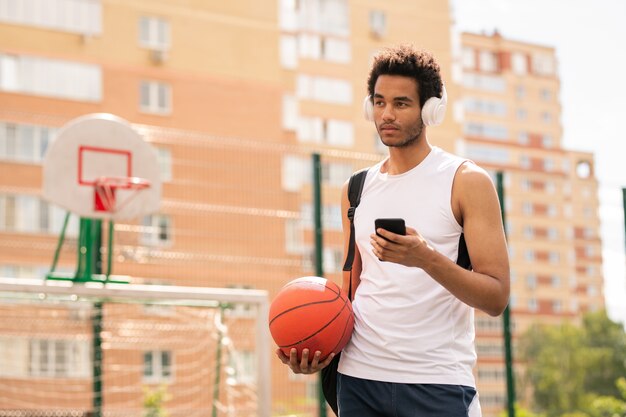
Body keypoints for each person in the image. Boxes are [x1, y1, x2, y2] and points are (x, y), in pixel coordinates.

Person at [277, 44, 510, 417]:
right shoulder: (356, 188)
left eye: (401, 103)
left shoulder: (465, 181)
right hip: (359, 379)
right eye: (379, 102)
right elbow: (351, 291)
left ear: (431, 109)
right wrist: (316, 345)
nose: (387, 114)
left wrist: (426, 259)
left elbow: (496, 297)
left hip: (436, 381)